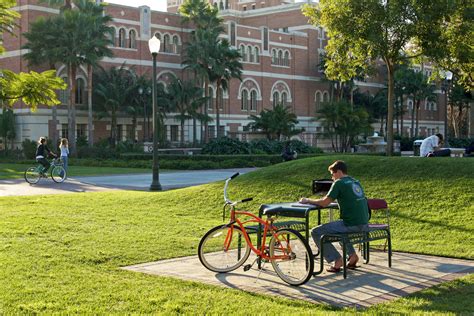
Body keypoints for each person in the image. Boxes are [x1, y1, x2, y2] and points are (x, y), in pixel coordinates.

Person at [299, 160, 369, 273]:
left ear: (339, 172)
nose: (332, 177)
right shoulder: (355, 182)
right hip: (364, 223)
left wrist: (307, 200)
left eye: (332, 174)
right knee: (340, 229)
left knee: (315, 231)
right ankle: (352, 256)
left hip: (351, 224)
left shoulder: (339, 183)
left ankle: (337, 260)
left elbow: (324, 203)